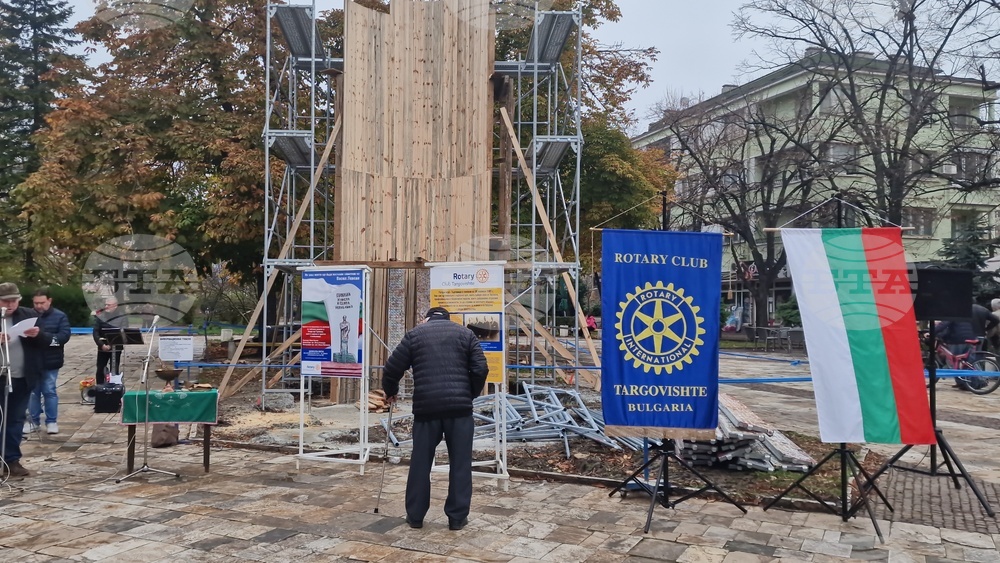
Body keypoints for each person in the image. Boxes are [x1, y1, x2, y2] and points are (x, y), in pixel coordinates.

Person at [381, 307, 488, 531]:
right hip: (459, 411)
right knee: (460, 463)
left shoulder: (415, 335)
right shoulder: (466, 334)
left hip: (426, 409)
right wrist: (470, 394)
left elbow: (392, 367)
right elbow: (480, 368)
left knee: (421, 462)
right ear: (448, 319)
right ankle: (457, 518)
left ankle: (416, 516)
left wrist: (390, 391)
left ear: (427, 318)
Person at [0, 282, 48, 478]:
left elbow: (47, 341)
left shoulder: (28, 315)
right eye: (6, 301)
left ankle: (11, 460)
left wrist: (38, 335)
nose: (11, 304)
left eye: (14, 300)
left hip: (21, 377)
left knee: (15, 419)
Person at [25, 288, 71, 435]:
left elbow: (63, 336)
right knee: (33, 392)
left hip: (51, 361)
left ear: (49, 301)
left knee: (49, 390)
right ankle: (33, 421)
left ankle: (51, 421)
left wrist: (44, 338)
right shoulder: (27, 315)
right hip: (32, 360)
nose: (39, 306)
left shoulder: (60, 316)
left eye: (42, 303)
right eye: (36, 303)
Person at [93, 296, 127, 384]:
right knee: (100, 369)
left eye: (109, 305)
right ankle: (100, 389)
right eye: (105, 304)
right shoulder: (100, 316)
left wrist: (111, 345)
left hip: (116, 347)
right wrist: (101, 345)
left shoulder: (122, 317)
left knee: (114, 370)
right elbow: (95, 332)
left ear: (115, 306)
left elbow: (123, 332)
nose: (106, 306)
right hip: (102, 347)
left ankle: (114, 389)